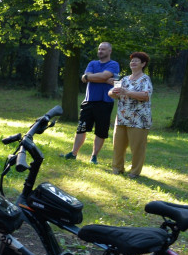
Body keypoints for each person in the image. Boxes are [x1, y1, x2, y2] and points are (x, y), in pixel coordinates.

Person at [63, 41, 119, 165]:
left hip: (105, 102)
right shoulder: (92, 63)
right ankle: (73, 153)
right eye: (99, 49)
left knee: (101, 131)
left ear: (110, 51)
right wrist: (102, 79)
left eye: (103, 49)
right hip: (89, 101)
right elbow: (88, 77)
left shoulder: (114, 64)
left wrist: (91, 77)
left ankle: (94, 157)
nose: (100, 51)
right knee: (81, 128)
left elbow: (99, 76)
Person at [109, 51, 153, 179]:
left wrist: (127, 92)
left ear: (143, 64)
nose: (133, 62)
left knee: (137, 148)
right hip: (122, 118)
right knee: (118, 146)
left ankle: (134, 172)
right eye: (132, 60)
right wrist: (113, 92)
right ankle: (117, 168)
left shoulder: (145, 79)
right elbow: (112, 93)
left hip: (139, 119)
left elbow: (145, 96)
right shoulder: (124, 79)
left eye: (136, 61)